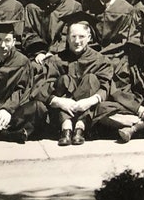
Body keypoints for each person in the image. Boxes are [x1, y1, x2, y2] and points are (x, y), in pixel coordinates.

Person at [36, 12, 114, 146]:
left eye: (82, 36)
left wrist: (89, 101)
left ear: (89, 37)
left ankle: (80, 127)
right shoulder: (56, 60)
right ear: (67, 38)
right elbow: (41, 87)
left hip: (88, 112)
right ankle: (66, 127)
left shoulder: (100, 60)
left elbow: (106, 87)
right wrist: (59, 102)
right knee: (64, 79)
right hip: (60, 113)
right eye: (73, 36)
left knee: (91, 78)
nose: (77, 41)